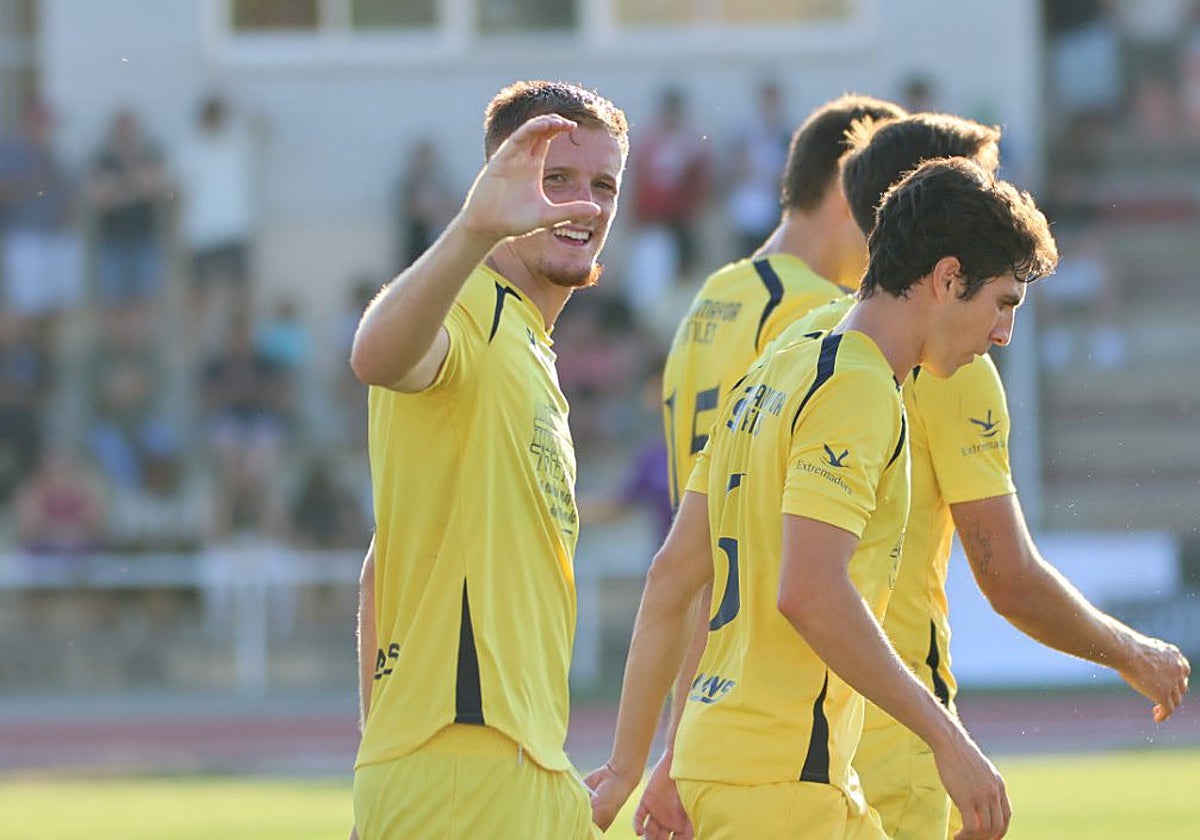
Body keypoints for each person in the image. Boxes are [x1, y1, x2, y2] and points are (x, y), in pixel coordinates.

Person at [587, 157, 1060, 840]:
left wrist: (655, 761)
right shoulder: (859, 389)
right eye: (1003, 303)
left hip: (740, 769)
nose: (1003, 334)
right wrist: (947, 739)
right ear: (947, 278)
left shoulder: (775, 367)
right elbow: (808, 591)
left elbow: (672, 573)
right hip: (786, 786)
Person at [771, 117, 1192, 840]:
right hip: (892, 730)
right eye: (977, 186)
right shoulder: (942, 363)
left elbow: (690, 562)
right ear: (946, 256)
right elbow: (1007, 576)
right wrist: (1132, 650)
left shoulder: (796, 346)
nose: (1001, 331)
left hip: (774, 726)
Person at [347, 79, 629, 839]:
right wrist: (473, 229)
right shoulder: (469, 302)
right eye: (556, 178)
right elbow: (375, 354)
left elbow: (384, 562)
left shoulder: (530, 346)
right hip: (462, 774)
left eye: (604, 185)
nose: (584, 205)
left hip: (522, 769)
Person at [661, 92, 906, 508]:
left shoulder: (715, 292)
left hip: (714, 568)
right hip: (773, 569)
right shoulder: (818, 309)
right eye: (894, 202)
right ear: (849, 189)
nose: (902, 229)